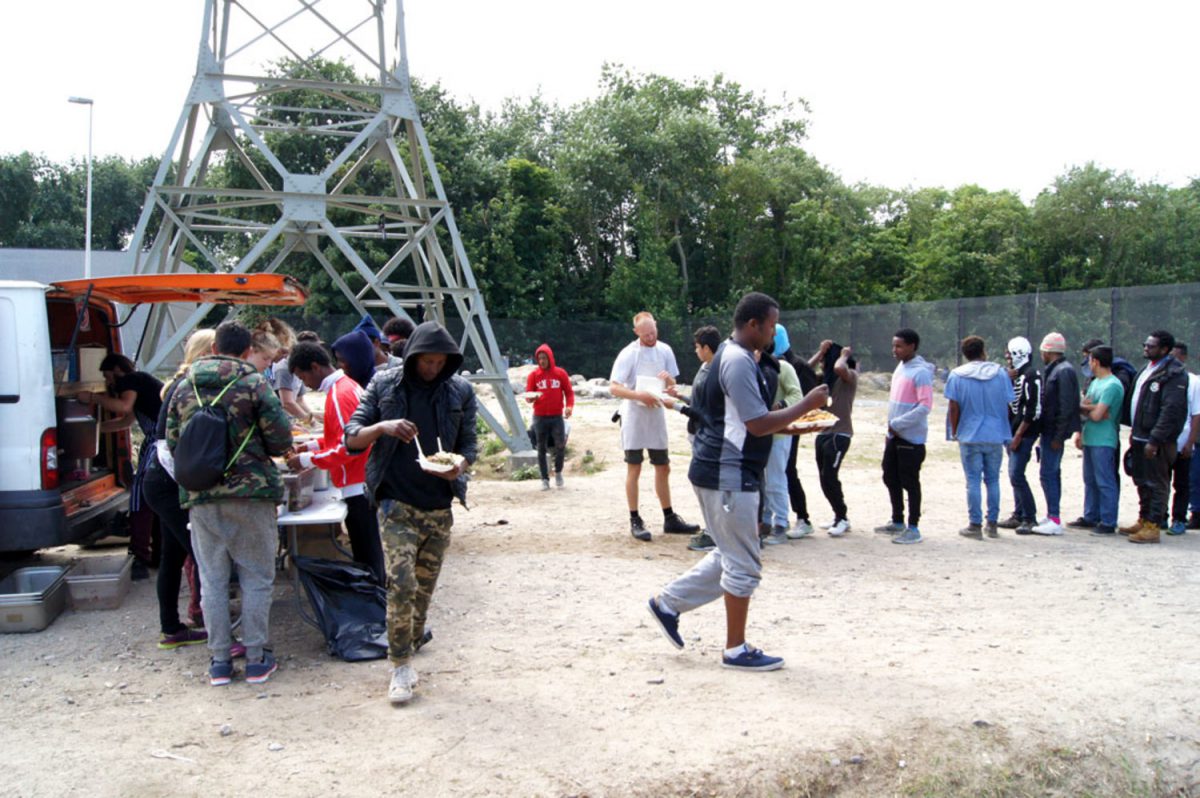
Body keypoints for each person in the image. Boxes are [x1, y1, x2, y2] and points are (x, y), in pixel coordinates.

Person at [646, 292, 828, 672]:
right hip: (729, 474)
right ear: (753, 325)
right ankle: (734, 649)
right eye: (771, 325)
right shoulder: (739, 362)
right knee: (744, 564)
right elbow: (756, 423)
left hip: (719, 470)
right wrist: (807, 404)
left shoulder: (730, 357)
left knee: (730, 555)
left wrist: (790, 421)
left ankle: (668, 604)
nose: (775, 332)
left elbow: (744, 419)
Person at [343, 321, 478, 705]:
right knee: (400, 582)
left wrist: (460, 466)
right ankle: (400, 666)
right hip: (394, 501)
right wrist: (382, 427)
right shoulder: (384, 385)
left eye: (440, 363)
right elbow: (351, 436)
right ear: (413, 356)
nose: (432, 369)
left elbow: (469, 444)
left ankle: (411, 643)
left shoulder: (460, 391)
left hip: (439, 504)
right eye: (427, 361)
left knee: (422, 589)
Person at [166, 320, 293, 687]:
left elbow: (175, 443)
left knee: (213, 581)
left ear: (214, 346)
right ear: (244, 349)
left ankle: (219, 662)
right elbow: (280, 438)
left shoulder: (184, 386)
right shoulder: (254, 383)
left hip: (201, 497)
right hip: (251, 495)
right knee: (256, 577)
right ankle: (256, 659)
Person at [286, 341, 386, 584]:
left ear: (315, 367)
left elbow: (347, 446)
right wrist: (311, 446)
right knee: (368, 549)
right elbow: (341, 435)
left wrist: (306, 459)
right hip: (363, 479)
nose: (304, 384)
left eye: (302, 377)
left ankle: (375, 606)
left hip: (356, 482)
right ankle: (376, 601)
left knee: (367, 553)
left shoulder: (339, 395)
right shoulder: (346, 387)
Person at [143, 330, 213, 650]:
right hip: (167, 482)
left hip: (161, 481)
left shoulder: (178, 384)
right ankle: (213, 624)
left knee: (174, 556)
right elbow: (169, 447)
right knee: (204, 554)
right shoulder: (187, 386)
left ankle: (172, 629)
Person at [609, 311, 700, 542]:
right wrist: (638, 394)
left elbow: (672, 383)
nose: (651, 337)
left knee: (663, 466)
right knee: (634, 467)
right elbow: (615, 387)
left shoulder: (665, 350)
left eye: (653, 332)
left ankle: (669, 517)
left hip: (656, 414)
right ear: (636, 332)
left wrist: (669, 383)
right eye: (646, 333)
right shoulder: (629, 353)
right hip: (634, 416)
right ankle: (635, 518)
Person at [77, 354, 164, 579]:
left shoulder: (131, 380)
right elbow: (126, 422)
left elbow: (124, 408)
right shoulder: (144, 382)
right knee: (156, 498)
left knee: (139, 497)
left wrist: (93, 398)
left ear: (116, 369)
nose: (109, 382)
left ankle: (139, 554)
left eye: (107, 376)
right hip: (162, 440)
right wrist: (95, 429)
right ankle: (157, 553)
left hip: (157, 440)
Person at [1123, 330, 1189, 544]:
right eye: (1146, 344)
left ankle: (1154, 525)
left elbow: (1171, 409)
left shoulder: (1174, 373)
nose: (1146, 348)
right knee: (1141, 479)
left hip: (1157, 439)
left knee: (1157, 482)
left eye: (1151, 346)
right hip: (1140, 434)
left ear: (1165, 349)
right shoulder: (1149, 368)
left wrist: (1156, 439)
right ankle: (1144, 519)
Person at [945, 336, 1013, 539]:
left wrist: (955, 431)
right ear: (983, 351)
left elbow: (954, 407)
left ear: (965, 354)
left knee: (973, 480)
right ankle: (992, 523)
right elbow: (1008, 402)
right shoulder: (1000, 374)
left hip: (969, 434)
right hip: (995, 434)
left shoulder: (957, 376)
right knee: (993, 480)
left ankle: (974, 524)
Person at [874, 329, 933, 544]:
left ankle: (913, 527)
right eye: (893, 345)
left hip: (910, 439)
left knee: (910, 482)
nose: (894, 350)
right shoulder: (901, 367)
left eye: (899, 346)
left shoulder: (921, 372)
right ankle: (897, 520)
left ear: (912, 346)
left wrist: (899, 424)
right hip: (894, 436)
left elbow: (925, 406)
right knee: (890, 476)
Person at [1029, 332, 1081, 536]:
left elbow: (1066, 406)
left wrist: (1059, 436)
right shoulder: (1057, 370)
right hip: (1050, 431)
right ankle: (1052, 515)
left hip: (1054, 432)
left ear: (1048, 351)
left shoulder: (1063, 372)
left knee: (1049, 473)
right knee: (1049, 473)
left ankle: (1054, 517)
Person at [1069, 346, 1125, 537]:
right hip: (1091, 437)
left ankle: (1108, 520)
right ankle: (1091, 515)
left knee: (1105, 480)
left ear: (1096, 362)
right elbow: (1088, 408)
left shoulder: (1112, 385)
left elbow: (1098, 415)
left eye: (1090, 360)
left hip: (1104, 439)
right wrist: (1092, 410)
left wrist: (1091, 409)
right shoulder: (1095, 383)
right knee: (1090, 480)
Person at [774, 325, 819, 540]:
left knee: (788, 470)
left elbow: (810, 400)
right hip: (775, 427)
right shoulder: (769, 362)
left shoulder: (796, 365)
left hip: (792, 428)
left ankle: (802, 517)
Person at [809, 339, 858, 537]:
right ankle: (838, 514)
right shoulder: (825, 381)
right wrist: (820, 353)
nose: (822, 365)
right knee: (823, 477)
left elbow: (839, 368)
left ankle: (842, 518)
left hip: (840, 433)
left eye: (824, 361)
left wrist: (843, 355)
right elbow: (804, 370)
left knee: (830, 475)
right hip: (824, 432)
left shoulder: (850, 377)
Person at [759, 341, 803, 545]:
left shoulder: (783, 368)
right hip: (759, 434)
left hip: (779, 434)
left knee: (776, 480)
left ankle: (781, 524)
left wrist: (781, 405)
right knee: (763, 482)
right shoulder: (753, 367)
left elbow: (797, 394)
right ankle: (766, 521)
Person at [998, 337, 1042, 533]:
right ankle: (1019, 514)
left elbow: (1033, 410)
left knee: (1017, 474)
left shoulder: (1031, 376)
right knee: (1013, 474)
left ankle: (1029, 517)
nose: (1007, 356)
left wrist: (1018, 435)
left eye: (1009, 353)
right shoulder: (1017, 375)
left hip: (1023, 434)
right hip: (1013, 431)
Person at [524, 343, 575, 490]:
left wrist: (569, 406)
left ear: (550, 358)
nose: (542, 361)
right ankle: (544, 479)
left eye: (544, 358)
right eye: (539, 358)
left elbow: (569, 392)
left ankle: (558, 471)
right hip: (539, 417)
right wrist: (531, 398)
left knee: (560, 445)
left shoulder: (560, 373)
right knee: (540, 447)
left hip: (556, 416)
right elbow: (528, 394)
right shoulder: (534, 375)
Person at [259, 319, 314, 425]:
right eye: (283, 351)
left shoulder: (274, 366)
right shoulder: (280, 368)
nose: (285, 356)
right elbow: (287, 403)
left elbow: (299, 401)